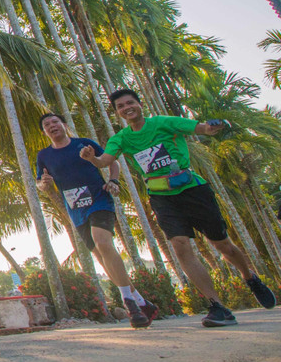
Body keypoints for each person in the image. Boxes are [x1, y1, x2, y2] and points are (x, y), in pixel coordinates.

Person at [80, 88, 276, 327]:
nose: (126, 108)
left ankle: (250, 277)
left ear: (139, 104)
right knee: (181, 246)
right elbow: (104, 161)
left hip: (193, 190)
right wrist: (91, 158)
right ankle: (218, 306)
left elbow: (203, 128)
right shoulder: (120, 138)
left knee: (222, 244)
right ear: (118, 112)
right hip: (162, 198)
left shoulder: (165, 123)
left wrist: (214, 125)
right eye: (121, 106)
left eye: (130, 103)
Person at [35, 113, 158, 328]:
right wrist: (44, 184)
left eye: (55, 122)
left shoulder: (84, 144)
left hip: (99, 200)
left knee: (103, 242)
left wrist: (113, 181)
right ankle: (141, 302)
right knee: (101, 257)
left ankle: (129, 303)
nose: (52, 126)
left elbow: (112, 163)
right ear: (44, 132)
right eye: (47, 125)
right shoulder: (44, 155)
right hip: (75, 209)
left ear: (64, 125)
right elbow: (41, 184)